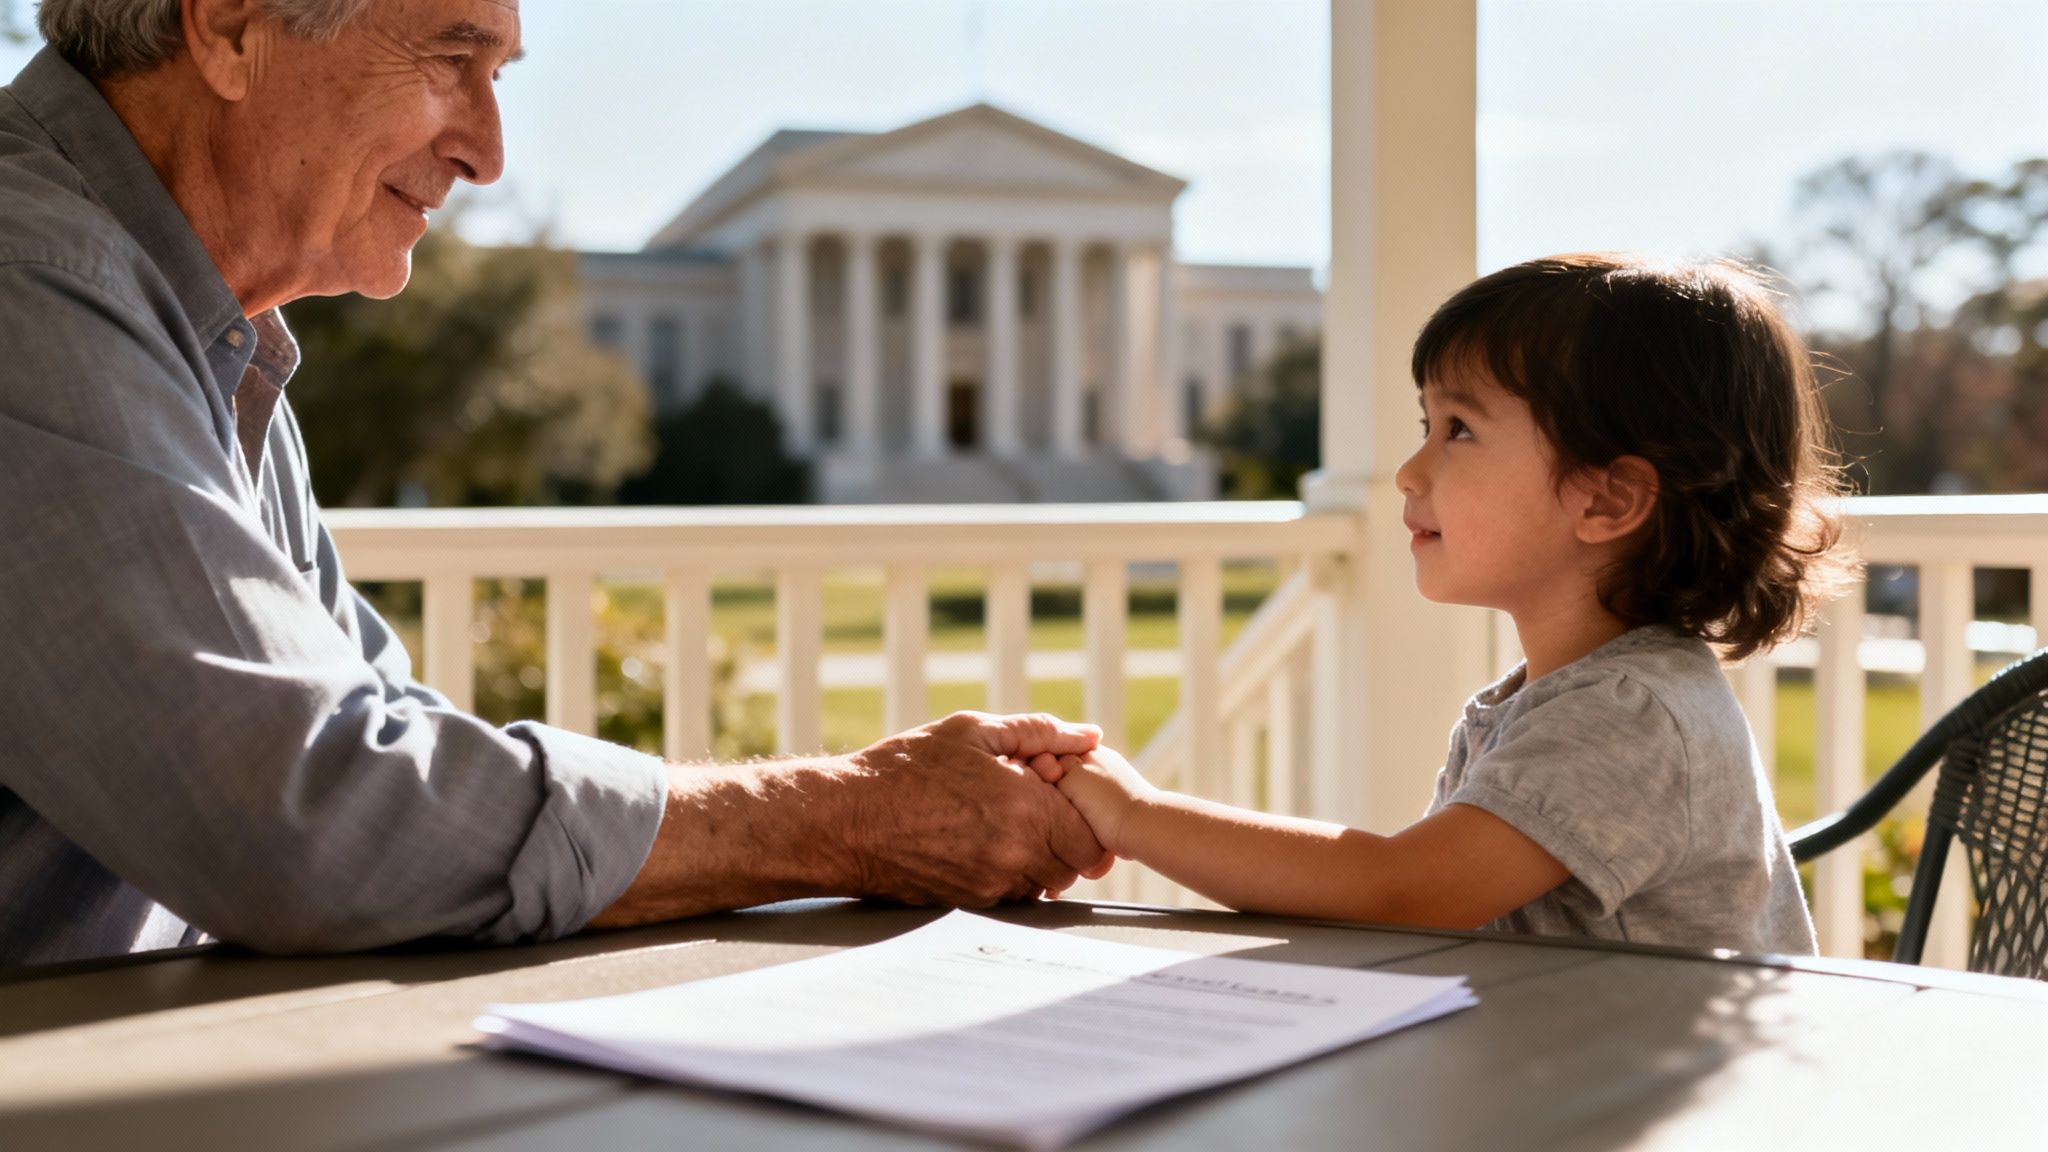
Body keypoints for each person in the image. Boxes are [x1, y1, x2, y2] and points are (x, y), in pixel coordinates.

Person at [0, 0, 1106, 967]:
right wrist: (847, 818)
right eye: (450, 59)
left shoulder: (211, 335)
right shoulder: (32, 290)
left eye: (499, 75)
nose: (486, 150)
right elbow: (310, 816)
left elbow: (377, 734)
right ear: (231, 27)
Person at [1033, 254, 1853, 954]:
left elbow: (1401, 892)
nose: (1408, 471)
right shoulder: (1554, 698)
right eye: (1425, 423)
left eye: (1457, 430)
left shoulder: (1629, 714)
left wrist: (1135, 814)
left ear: (1607, 501)